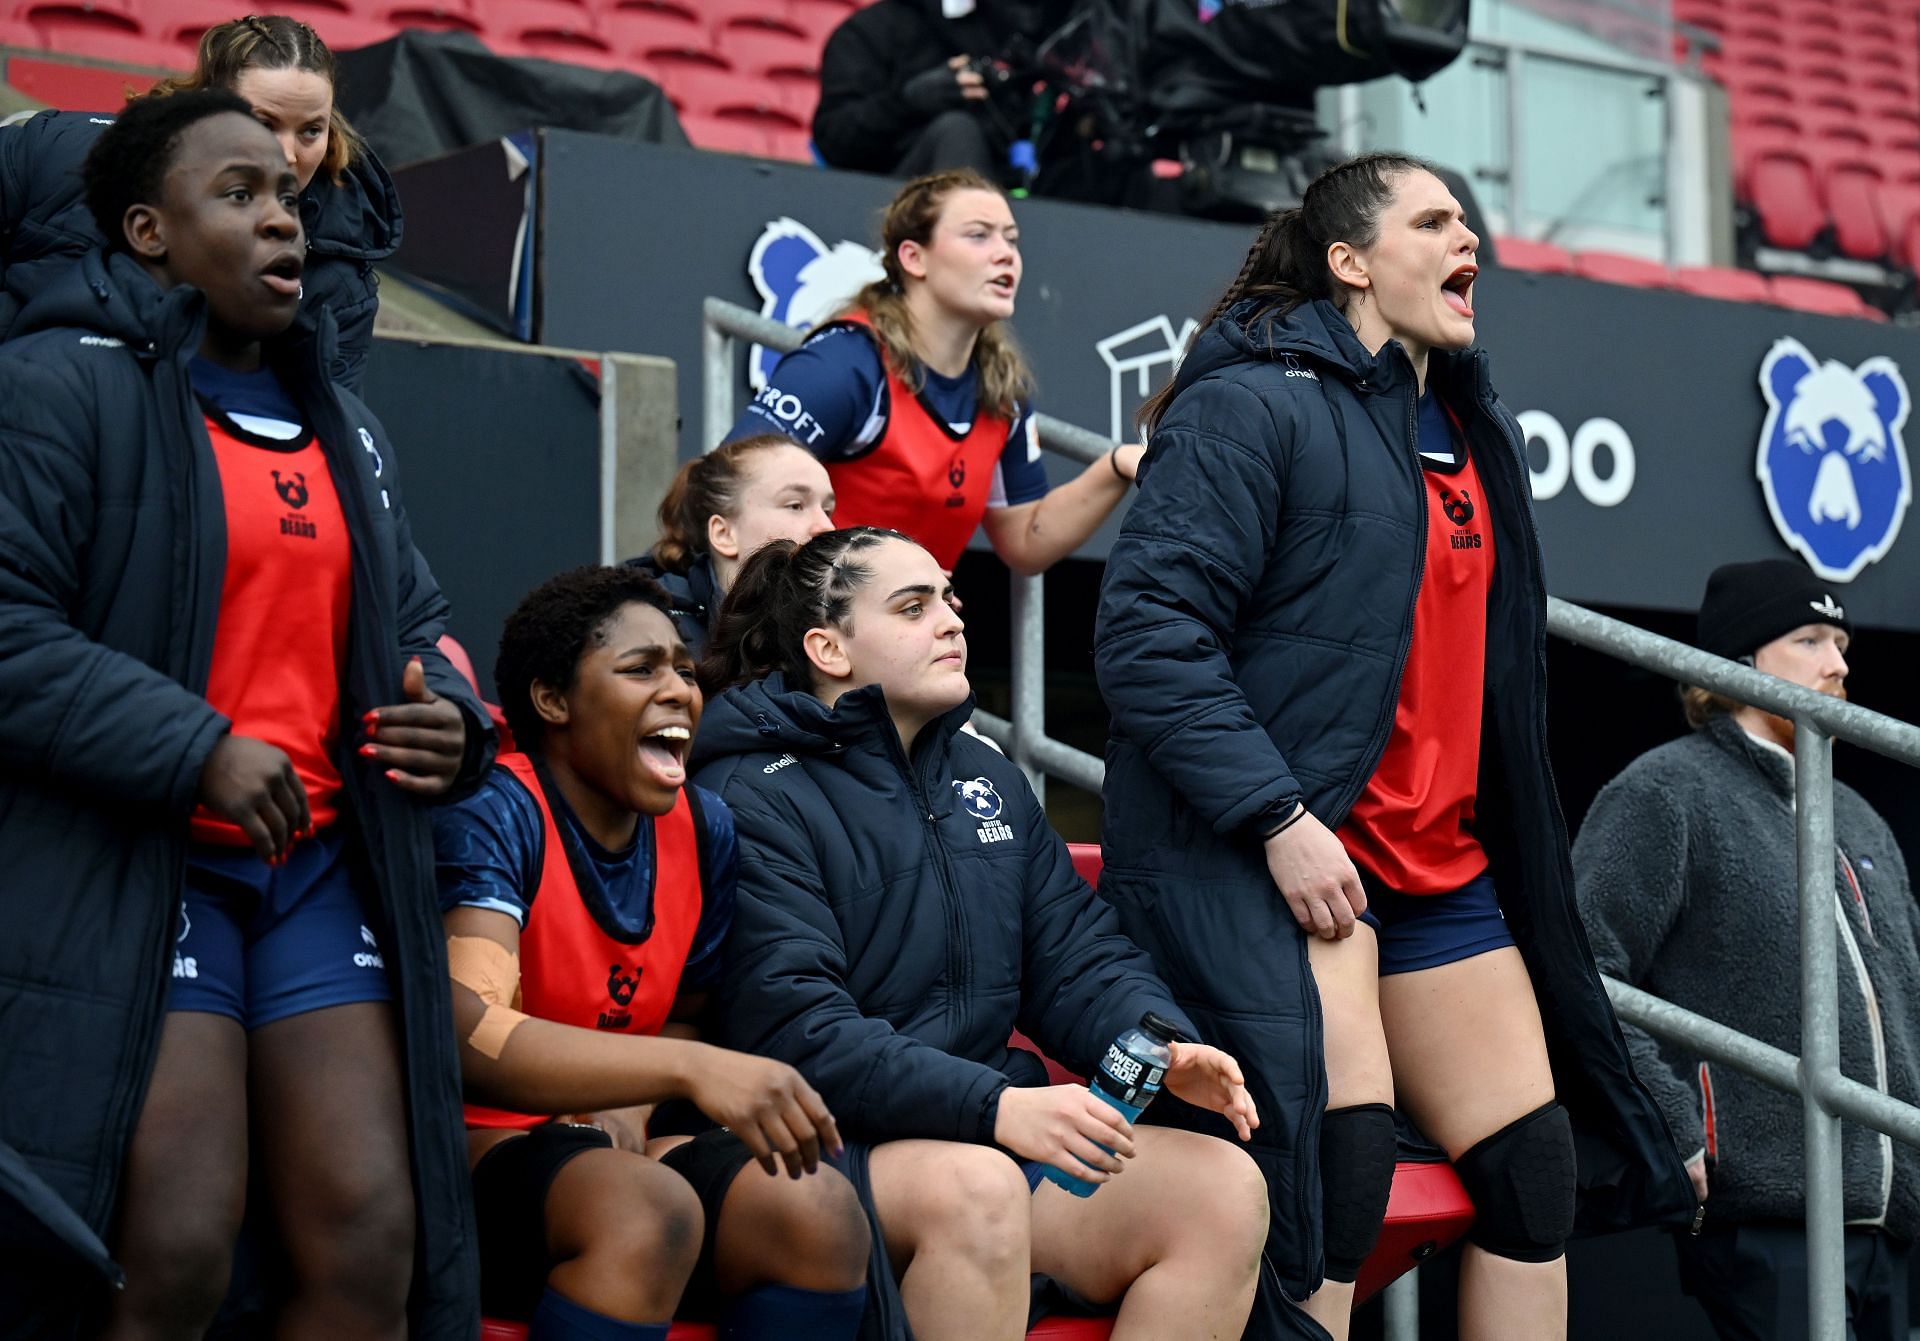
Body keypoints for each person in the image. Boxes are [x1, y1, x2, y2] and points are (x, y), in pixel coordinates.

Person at [1091, 151, 1695, 1341]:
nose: (1467, 236)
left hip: (1440, 868)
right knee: (1345, 1173)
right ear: (1351, 263)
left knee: (1534, 1178)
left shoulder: (1475, 429)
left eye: (1470, 218)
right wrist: (1278, 819)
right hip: (1298, 857)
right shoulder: (1250, 400)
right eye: (1432, 220)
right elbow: (1147, 637)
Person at [0, 91, 490, 1339]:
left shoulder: (347, 422)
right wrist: (195, 745)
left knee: (373, 1242)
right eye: (238, 196)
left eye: (287, 195)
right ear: (147, 233)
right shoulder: (55, 385)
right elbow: (9, 629)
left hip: (318, 870)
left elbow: (421, 618)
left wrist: (459, 721)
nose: (282, 219)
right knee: (169, 1247)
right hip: (139, 865)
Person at [691, 526, 1271, 1341]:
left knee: (1223, 1190)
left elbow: (1076, 954)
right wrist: (997, 1106)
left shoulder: (984, 773)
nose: (953, 620)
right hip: (828, 1147)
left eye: (950, 598)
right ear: (828, 647)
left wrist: (1159, 1045)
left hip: (984, 1126)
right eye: (913, 605)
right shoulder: (753, 793)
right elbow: (798, 1035)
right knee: (981, 1190)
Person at [434, 565, 870, 1340]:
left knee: (816, 1204)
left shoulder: (703, 829)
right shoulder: (498, 808)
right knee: (647, 1207)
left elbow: (687, 1022)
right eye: (641, 668)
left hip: (615, 1139)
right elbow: (470, 1029)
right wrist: (685, 1072)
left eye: (683, 667)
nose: (680, 689)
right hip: (478, 1141)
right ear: (552, 699)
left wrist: (631, 1097)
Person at [1574, 559, 1920, 1341]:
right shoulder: (1667, 790)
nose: (1839, 662)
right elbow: (1583, 963)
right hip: (1768, 1217)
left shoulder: (1860, 815)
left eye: (1841, 639)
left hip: (1887, 1225)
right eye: (1810, 639)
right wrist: (1673, 1122)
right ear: (1739, 663)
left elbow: (1908, 996)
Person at [729, 169, 1138, 578]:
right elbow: (733, 483)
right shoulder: (849, 360)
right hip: (809, 623)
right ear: (913, 257)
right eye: (979, 235)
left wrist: (1116, 464)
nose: (1006, 254)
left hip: (898, 630)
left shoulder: (1000, 389)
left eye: (1011, 239)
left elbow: (1026, 538)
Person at [0, 13, 400, 392]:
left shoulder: (339, 284)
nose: (287, 154)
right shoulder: (55, 156)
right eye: (263, 123)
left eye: (311, 131)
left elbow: (326, 434)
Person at [627, 433, 837, 659]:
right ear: (724, 534)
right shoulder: (645, 625)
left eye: (827, 511)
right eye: (795, 505)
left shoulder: (841, 625)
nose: (827, 527)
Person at [812, 0, 1063, 179]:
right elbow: (834, 140)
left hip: (1014, 195)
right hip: (898, 207)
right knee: (956, 131)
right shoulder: (868, 31)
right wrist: (908, 102)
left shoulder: (1017, 26)